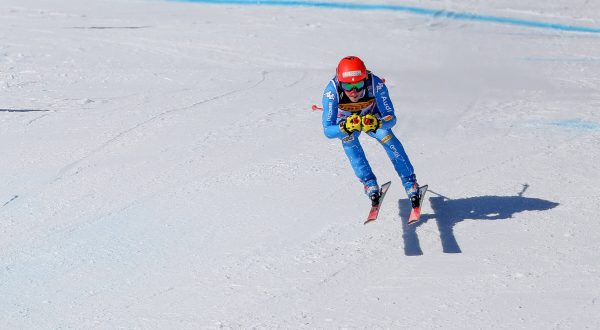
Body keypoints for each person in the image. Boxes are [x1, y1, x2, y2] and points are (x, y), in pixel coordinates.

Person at [321, 56, 421, 208]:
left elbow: (391, 118)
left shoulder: (376, 84)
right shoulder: (331, 92)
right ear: (340, 82)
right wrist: (344, 127)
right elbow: (328, 130)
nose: (353, 92)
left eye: (359, 84)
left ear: (365, 78)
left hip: (372, 118)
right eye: (348, 87)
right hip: (347, 123)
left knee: (386, 135)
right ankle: (369, 183)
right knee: (349, 139)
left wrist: (380, 122)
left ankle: (410, 183)